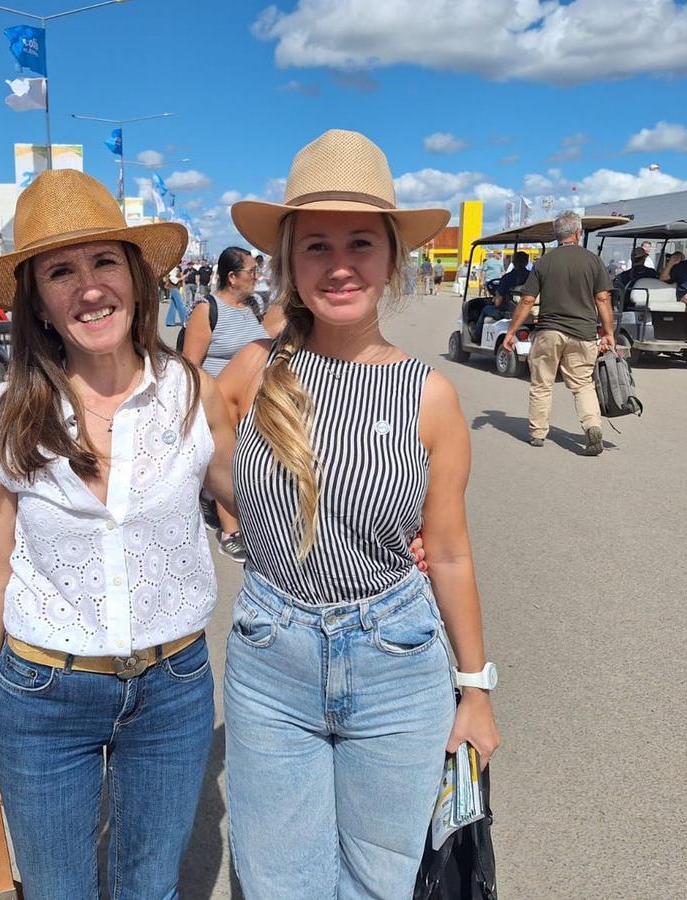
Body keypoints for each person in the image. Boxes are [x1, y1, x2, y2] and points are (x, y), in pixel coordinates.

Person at [220, 129, 500, 899]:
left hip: (397, 661)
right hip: (270, 662)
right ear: (288, 261)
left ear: (391, 260)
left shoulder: (429, 395)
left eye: (360, 244)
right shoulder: (250, 373)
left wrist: (476, 690)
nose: (339, 265)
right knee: (280, 884)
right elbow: (182, 463)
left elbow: (450, 552)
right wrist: (234, 524)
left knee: (383, 881)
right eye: (316, 245)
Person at [0, 168, 237, 899]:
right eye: (60, 272)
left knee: (151, 888)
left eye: (105, 261)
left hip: (173, 688)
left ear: (137, 279)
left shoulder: (192, 394)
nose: (88, 288)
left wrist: (388, 538)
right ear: (37, 302)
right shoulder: (5, 412)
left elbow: (252, 509)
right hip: (43, 693)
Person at [181, 246, 284, 564]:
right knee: (231, 463)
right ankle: (230, 532)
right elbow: (189, 365)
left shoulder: (253, 307)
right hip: (218, 404)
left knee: (251, 463)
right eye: (251, 272)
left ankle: (214, 498)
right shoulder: (207, 309)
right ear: (232, 277)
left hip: (252, 403)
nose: (256, 276)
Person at [502, 210, 615, 455]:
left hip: (549, 331)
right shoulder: (592, 260)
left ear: (557, 235)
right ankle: (592, 426)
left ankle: (537, 433)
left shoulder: (544, 262)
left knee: (542, 383)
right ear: (578, 233)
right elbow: (603, 299)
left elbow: (527, 300)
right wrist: (609, 332)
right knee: (583, 384)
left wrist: (511, 332)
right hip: (583, 333)